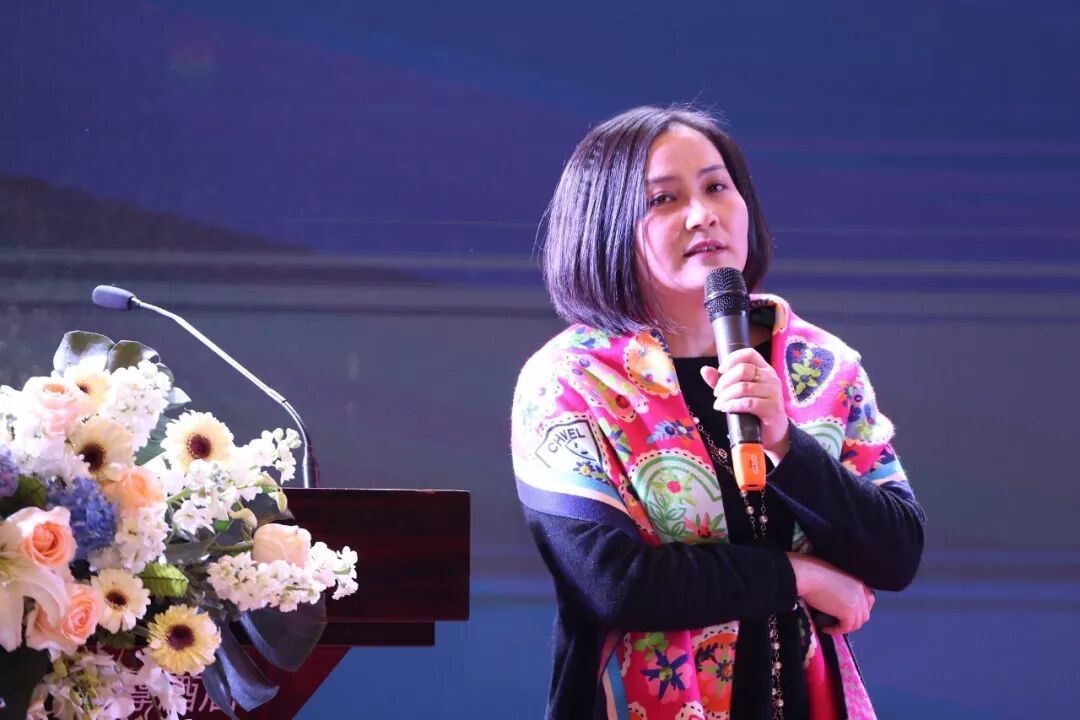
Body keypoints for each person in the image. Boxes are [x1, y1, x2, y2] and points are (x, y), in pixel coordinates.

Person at [510, 106, 925, 720]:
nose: (702, 214)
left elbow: (896, 552)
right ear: (604, 226)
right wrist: (798, 577)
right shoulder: (569, 382)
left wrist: (785, 442)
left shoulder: (818, 365)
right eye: (663, 199)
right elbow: (614, 583)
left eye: (716, 187)